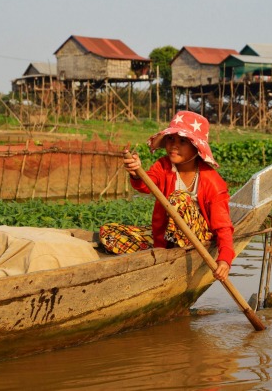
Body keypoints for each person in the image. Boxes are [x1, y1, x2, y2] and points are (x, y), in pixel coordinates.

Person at [99, 111, 235, 281]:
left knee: (179, 198)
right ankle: (163, 251)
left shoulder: (212, 182)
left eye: (183, 141)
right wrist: (136, 173)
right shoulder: (163, 166)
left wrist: (224, 260)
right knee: (108, 233)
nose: (173, 146)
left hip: (197, 239)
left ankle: (170, 251)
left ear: (196, 147)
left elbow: (223, 227)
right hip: (165, 238)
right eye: (171, 139)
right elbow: (146, 184)